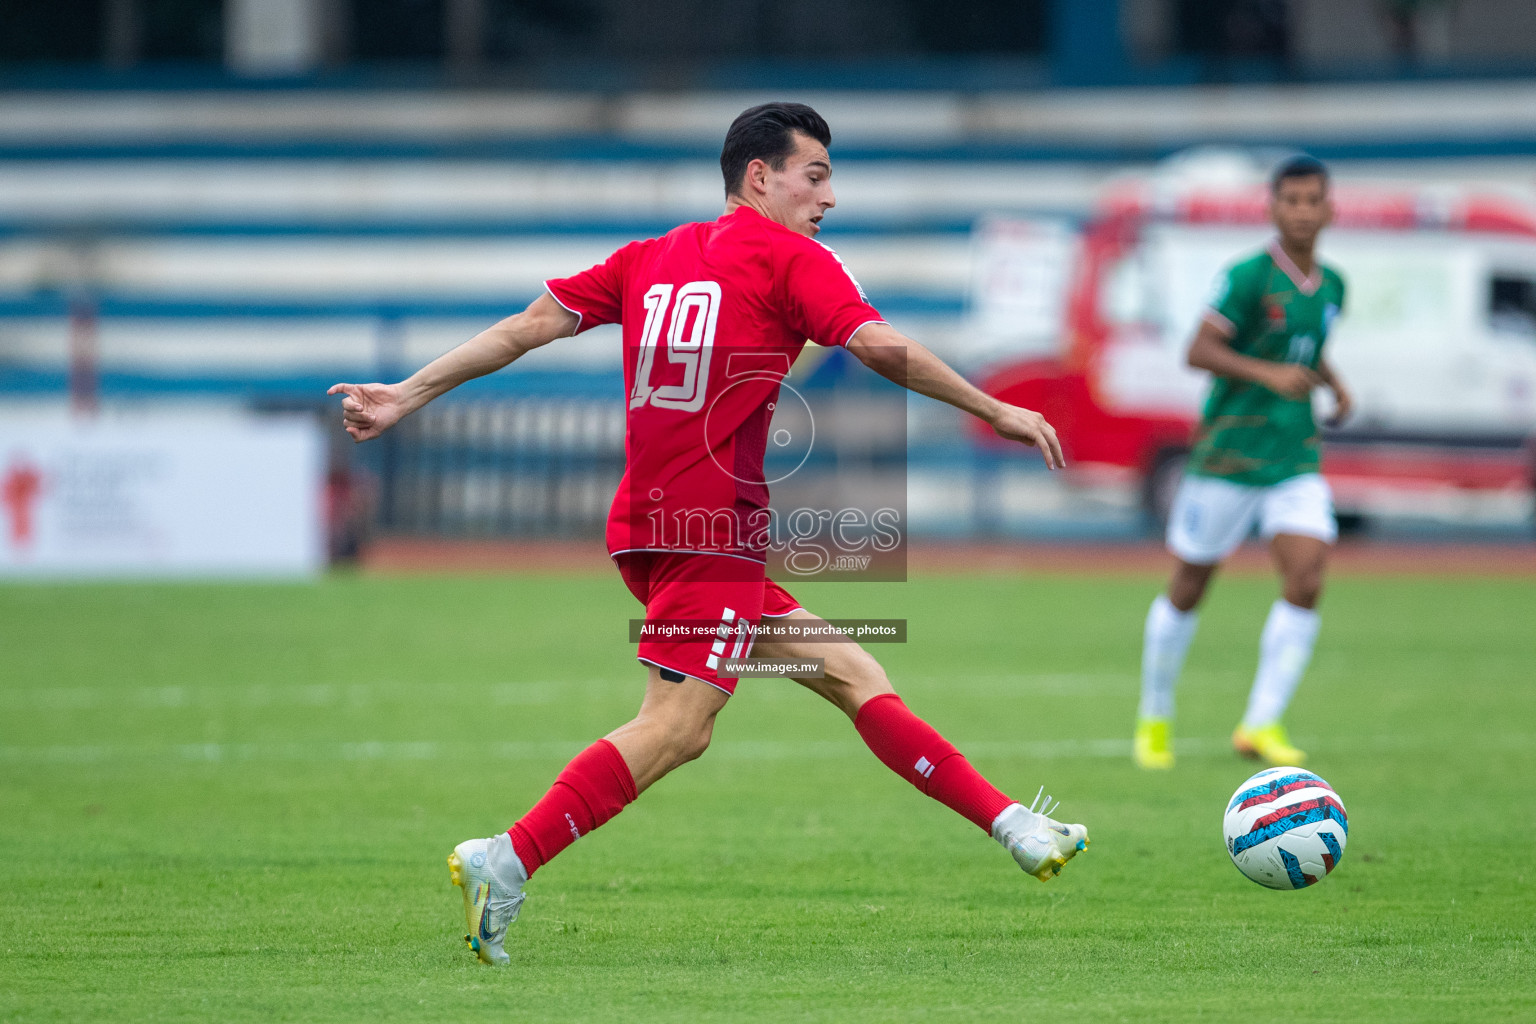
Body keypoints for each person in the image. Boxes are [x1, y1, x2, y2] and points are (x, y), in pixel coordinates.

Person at [329, 102, 1089, 966]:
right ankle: (505, 858)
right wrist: (994, 407)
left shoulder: (650, 258)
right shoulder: (794, 259)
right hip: (712, 529)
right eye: (815, 174)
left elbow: (523, 328)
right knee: (680, 725)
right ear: (758, 176)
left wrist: (406, 394)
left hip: (647, 526)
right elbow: (879, 350)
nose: (829, 195)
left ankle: (1015, 825)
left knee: (852, 673)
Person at [1134, 154, 1353, 771]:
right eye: (1292, 200)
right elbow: (1198, 350)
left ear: (1330, 208)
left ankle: (1260, 723)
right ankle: (1154, 715)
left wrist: (1333, 382)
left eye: (1314, 200)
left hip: (1294, 458)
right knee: (1189, 586)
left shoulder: (1333, 284)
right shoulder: (1248, 277)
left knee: (1307, 577)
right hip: (1228, 457)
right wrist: (1268, 374)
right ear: (1273, 207)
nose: (1304, 211)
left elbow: (1306, 348)